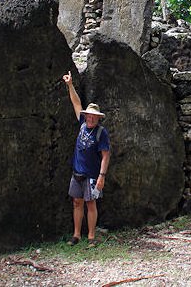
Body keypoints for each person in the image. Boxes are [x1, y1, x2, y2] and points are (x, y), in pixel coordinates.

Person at [62, 71, 111, 248]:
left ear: (98, 118)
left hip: (92, 175)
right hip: (77, 173)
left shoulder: (101, 132)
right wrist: (70, 85)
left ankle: (91, 236)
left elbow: (105, 155)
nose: (90, 118)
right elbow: (76, 103)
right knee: (77, 202)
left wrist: (102, 176)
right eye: (88, 115)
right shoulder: (82, 125)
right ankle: (76, 235)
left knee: (91, 204)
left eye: (93, 116)